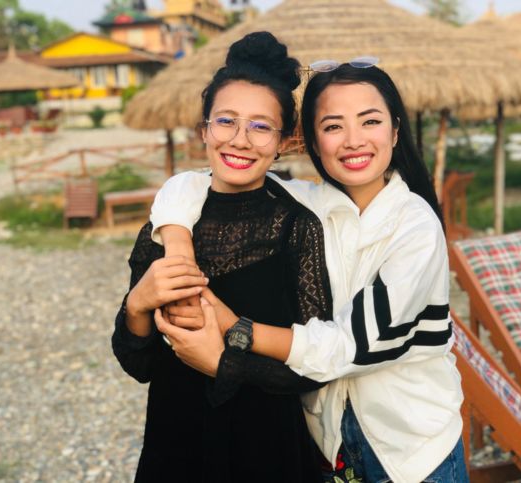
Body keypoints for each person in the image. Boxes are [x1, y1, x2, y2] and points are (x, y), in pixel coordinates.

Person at [152, 62, 467, 482]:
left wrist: (234, 331)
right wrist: (178, 251)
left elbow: (351, 346)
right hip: (329, 442)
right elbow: (190, 183)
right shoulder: (307, 206)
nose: (353, 140)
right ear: (313, 142)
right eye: (333, 126)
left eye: (370, 121)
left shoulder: (416, 227)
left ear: (394, 131)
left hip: (410, 449)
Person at [111, 31, 333, 483]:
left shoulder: (297, 227)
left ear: (283, 141)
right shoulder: (168, 223)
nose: (240, 140)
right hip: (177, 441)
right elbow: (139, 365)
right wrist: (137, 304)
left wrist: (225, 363)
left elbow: (315, 368)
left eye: (260, 126)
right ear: (204, 130)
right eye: (226, 121)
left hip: (267, 445)